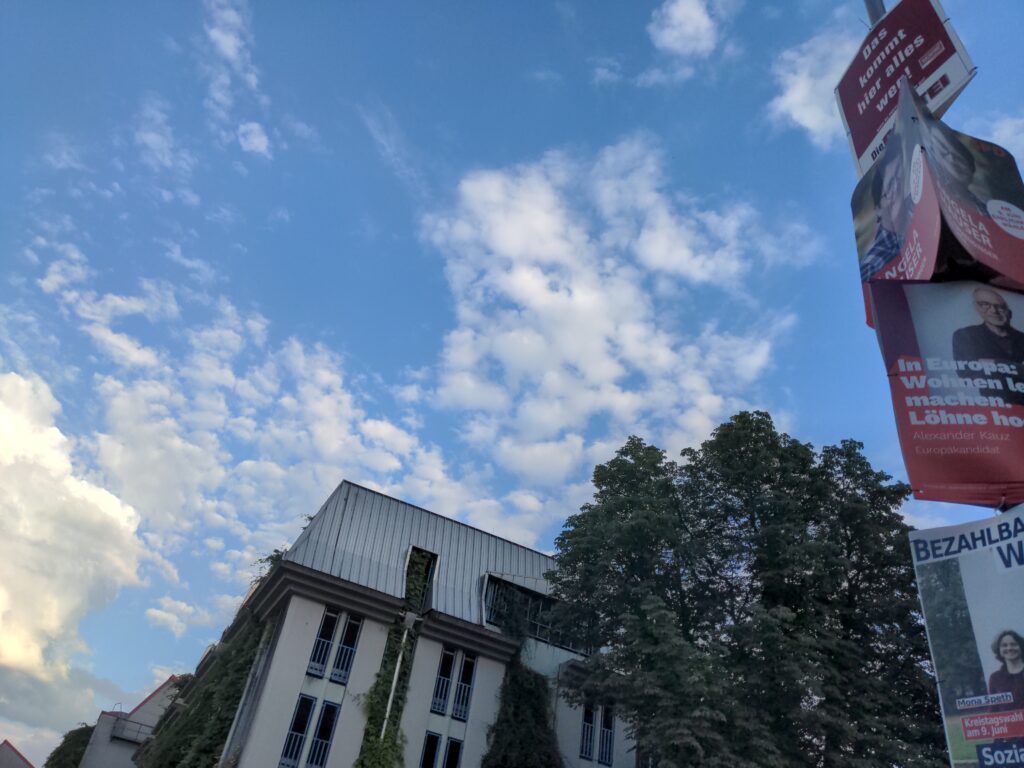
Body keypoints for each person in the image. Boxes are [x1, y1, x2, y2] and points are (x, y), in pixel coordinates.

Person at [952, 287, 1024, 405]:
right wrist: (1017, 368)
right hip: (995, 408)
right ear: (977, 308)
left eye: (1000, 306)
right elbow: (967, 375)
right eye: (985, 304)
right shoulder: (966, 335)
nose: (994, 311)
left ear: (1009, 312)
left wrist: (993, 363)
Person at [860, 147, 911, 281]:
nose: (898, 189)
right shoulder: (871, 267)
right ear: (879, 209)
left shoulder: (925, 213)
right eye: (890, 186)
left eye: (900, 179)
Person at [988, 630, 1024, 712]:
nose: (1009, 648)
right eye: (1004, 645)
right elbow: (994, 709)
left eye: (1013, 644)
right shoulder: (995, 678)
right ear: (999, 650)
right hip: (1012, 724)